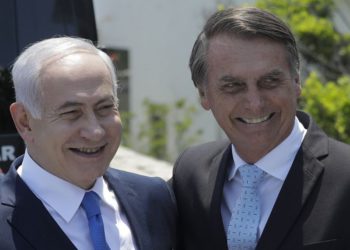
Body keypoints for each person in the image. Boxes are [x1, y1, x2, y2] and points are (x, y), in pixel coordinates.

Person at [171, 7, 350, 250]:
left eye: (270, 81)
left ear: (296, 81)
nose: (255, 104)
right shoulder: (189, 174)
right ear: (204, 94)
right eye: (233, 86)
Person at [0, 37, 177, 250]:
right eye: (72, 113)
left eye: (104, 108)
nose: (95, 131)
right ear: (25, 122)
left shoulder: (153, 199)